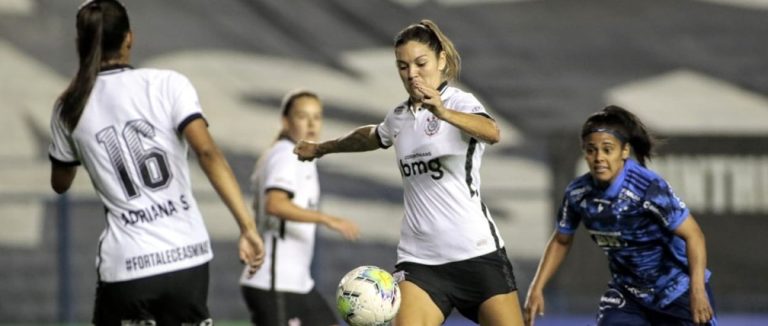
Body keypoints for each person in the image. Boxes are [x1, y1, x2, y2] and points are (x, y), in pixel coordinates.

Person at [294, 19, 524, 326]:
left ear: (441, 60)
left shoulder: (460, 102)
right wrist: (321, 148)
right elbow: (373, 136)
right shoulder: (399, 117)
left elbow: (492, 132)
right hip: (420, 261)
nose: (412, 73)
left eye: (420, 63)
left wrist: (443, 112)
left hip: (477, 254)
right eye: (403, 66)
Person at [48, 1, 264, 325]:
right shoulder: (168, 84)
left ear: (81, 42)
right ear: (129, 38)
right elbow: (207, 153)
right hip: (187, 259)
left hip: (128, 267)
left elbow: (60, 182)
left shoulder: (69, 105)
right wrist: (247, 227)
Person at [524, 105, 716, 326]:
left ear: (624, 151)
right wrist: (536, 288)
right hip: (628, 294)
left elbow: (694, 235)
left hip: (677, 290)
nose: (599, 158)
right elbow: (561, 240)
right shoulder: (578, 193)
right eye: (591, 150)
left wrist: (698, 291)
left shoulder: (648, 188)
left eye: (607, 149)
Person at [239, 90, 360, 326]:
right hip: (275, 284)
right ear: (286, 121)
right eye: (303, 116)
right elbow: (274, 203)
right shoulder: (286, 155)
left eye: (317, 116)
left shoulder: (298, 155)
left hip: (298, 283)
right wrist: (327, 219)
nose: (312, 123)